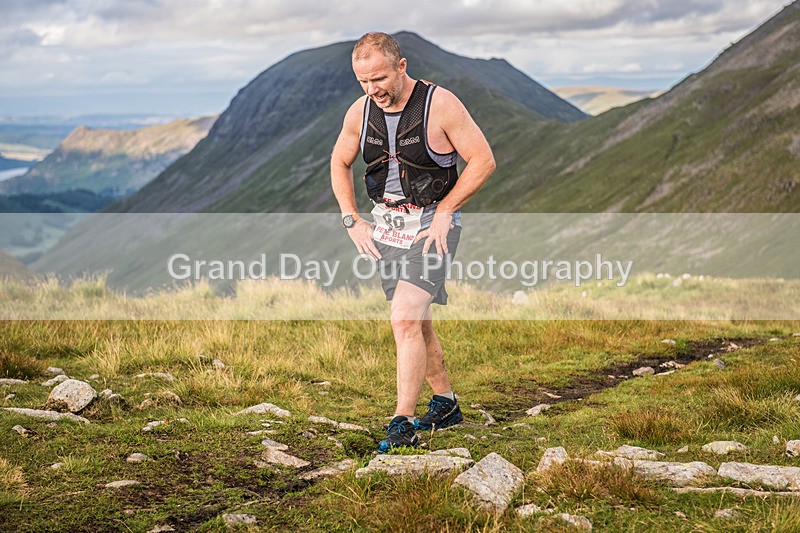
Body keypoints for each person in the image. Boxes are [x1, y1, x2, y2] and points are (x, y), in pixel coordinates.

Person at [330, 32, 495, 453]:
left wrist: (445, 211)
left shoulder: (440, 104)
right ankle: (445, 403)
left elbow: (483, 160)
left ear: (401, 67)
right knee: (417, 321)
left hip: (432, 226)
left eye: (380, 78)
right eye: (363, 81)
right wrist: (351, 219)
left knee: (404, 317)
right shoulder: (360, 110)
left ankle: (402, 423)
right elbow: (340, 160)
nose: (373, 90)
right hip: (386, 228)